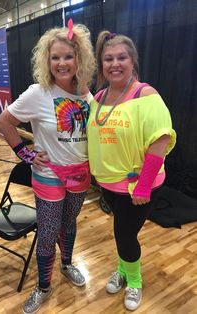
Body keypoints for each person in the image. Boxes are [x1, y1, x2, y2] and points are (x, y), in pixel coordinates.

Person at [0, 20, 95, 314]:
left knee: (68, 224)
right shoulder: (37, 93)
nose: (62, 63)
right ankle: (43, 286)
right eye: (55, 57)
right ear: (47, 60)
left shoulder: (86, 95)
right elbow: (5, 122)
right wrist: (24, 154)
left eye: (68, 56)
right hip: (49, 174)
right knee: (49, 231)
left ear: (79, 59)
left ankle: (66, 264)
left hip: (80, 173)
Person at [87, 31, 176, 311]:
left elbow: (160, 141)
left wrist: (144, 185)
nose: (115, 64)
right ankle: (123, 269)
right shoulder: (99, 97)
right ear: (102, 64)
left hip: (137, 187)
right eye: (108, 59)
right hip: (108, 183)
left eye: (121, 57)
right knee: (122, 234)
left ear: (132, 60)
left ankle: (134, 281)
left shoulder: (146, 95)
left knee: (125, 235)